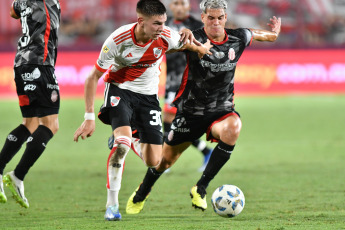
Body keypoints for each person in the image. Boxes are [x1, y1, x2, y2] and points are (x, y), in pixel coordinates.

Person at [126, 0, 281, 214]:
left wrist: (274, 32)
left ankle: (201, 187)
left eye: (220, 18)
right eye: (211, 18)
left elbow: (264, 36)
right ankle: (143, 191)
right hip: (191, 112)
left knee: (233, 127)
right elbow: (164, 47)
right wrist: (181, 39)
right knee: (163, 162)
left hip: (222, 109)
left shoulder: (239, 37)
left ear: (225, 18)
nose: (216, 22)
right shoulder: (193, 38)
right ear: (203, 18)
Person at [73, 0, 211, 221]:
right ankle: (112, 205)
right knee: (122, 146)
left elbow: (189, 46)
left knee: (154, 161)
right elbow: (92, 78)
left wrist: (202, 48)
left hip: (148, 98)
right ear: (140, 22)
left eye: (163, 22)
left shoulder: (166, 36)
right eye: (156, 23)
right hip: (120, 92)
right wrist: (88, 117)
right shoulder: (118, 40)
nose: (161, 27)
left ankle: (125, 138)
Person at [0, 0, 61, 208]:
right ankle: (17, 175)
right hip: (40, 65)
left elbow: (12, 11)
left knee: (30, 123)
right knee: (51, 125)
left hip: (20, 64)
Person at [164, 0, 213, 172]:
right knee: (172, 122)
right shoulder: (165, 23)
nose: (178, 7)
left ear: (188, 6)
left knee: (173, 121)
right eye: (175, 3)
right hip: (170, 80)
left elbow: (207, 51)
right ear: (171, 6)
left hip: (188, 80)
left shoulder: (197, 25)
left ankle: (166, 158)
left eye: (182, 3)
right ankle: (205, 151)